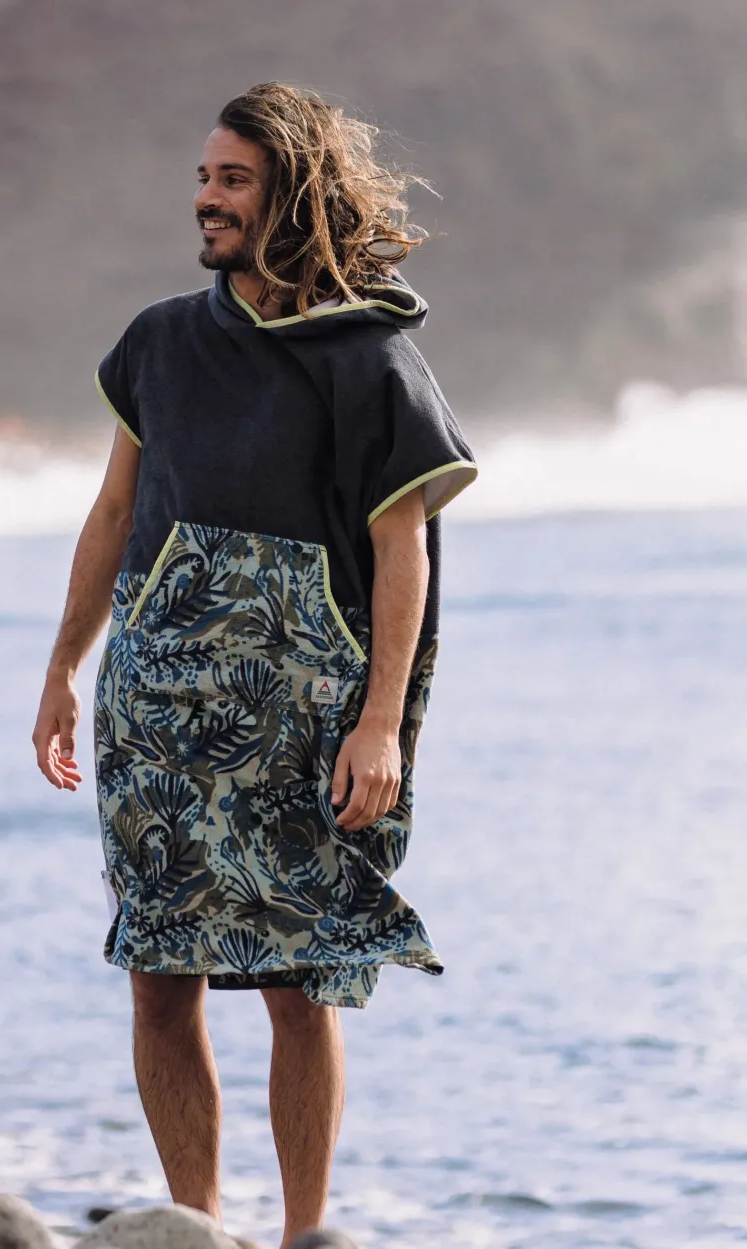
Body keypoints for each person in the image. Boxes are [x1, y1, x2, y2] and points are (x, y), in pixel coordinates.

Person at [32, 82, 477, 1249]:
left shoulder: (366, 355)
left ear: (291, 193)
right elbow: (113, 511)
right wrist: (64, 667)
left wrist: (379, 724)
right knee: (156, 974)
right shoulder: (158, 342)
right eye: (202, 178)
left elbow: (403, 547)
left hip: (302, 722)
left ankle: (304, 1235)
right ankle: (195, 1227)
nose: (207, 198)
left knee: (299, 980)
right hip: (154, 713)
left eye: (232, 179)